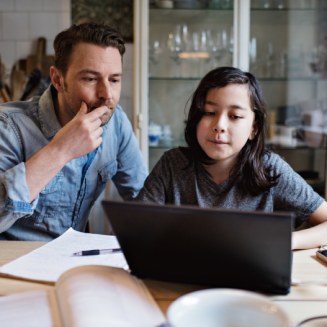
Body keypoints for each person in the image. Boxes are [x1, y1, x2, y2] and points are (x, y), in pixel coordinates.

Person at [135, 66, 327, 250]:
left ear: (254, 128)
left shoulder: (270, 168)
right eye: (209, 112)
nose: (220, 125)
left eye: (235, 116)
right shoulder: (172, 164)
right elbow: (134, 227)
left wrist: (286, 240)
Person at [0, 23, 147, 241]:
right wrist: (61, 150)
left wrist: (131, 225)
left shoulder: (116, 123)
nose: (107, 94)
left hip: (73, 261)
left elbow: (143, 198)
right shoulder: (8, 126)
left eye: (114, 80)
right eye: (90, 79)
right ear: (58, 79)